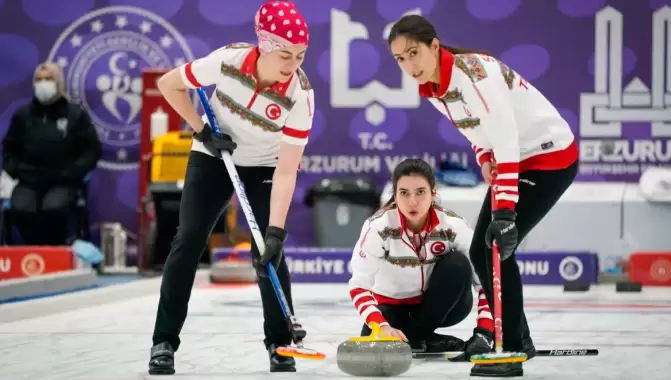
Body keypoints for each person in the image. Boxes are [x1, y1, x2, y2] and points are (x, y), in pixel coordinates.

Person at [387, 15, 579, 377]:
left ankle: (512, 349)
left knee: (493, 246)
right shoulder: (432, 87)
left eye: (414, 53)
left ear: (434, 46)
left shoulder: (474, 76)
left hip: (549, 157)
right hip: (517, 158)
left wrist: (504, 212)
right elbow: (477, 130)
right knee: (485, 249)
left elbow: (506, 137)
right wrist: (484, 157)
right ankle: (518, 341)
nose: (409, 65)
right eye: (400, 58)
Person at [148, 1, 314, 375]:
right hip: (214, 154)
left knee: (267, 253)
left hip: (266, 165)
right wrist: (201, 129)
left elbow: (287, 171)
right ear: (263, 46)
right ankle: (163, 342)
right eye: (285, 55)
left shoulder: (301, 95)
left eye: (300, 55)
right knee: (188, 240)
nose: (293, 65)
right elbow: (168, 85)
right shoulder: (228, 61)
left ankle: (280, 345)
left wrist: (275, 232)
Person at [348, 158, 494, 360]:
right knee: (372, 338)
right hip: (393, 309)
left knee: (457, 265)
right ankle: (423, 339)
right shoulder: (378, 227)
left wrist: (485, 333)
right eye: (404, 193)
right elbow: (358, 286)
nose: (412, 201)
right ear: (395, 195)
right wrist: (380, 325)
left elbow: (485, 282)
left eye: (420, 192)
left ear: (433, 193)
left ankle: (418, 335)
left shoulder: (453, 225)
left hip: (445, 308)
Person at [2, 62, 101, 245]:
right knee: (22, 207)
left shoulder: (75, 115)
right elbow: (9, 149)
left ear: (59, 82)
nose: (43, 83)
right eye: (39, 80)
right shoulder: (23, 115)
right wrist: (15, 170)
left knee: (53, 208)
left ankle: (53, 251)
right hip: (29, 180)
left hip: (63, 181)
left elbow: (91, 151)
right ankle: (34, 250)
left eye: (48, 79)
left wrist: (73, 173)